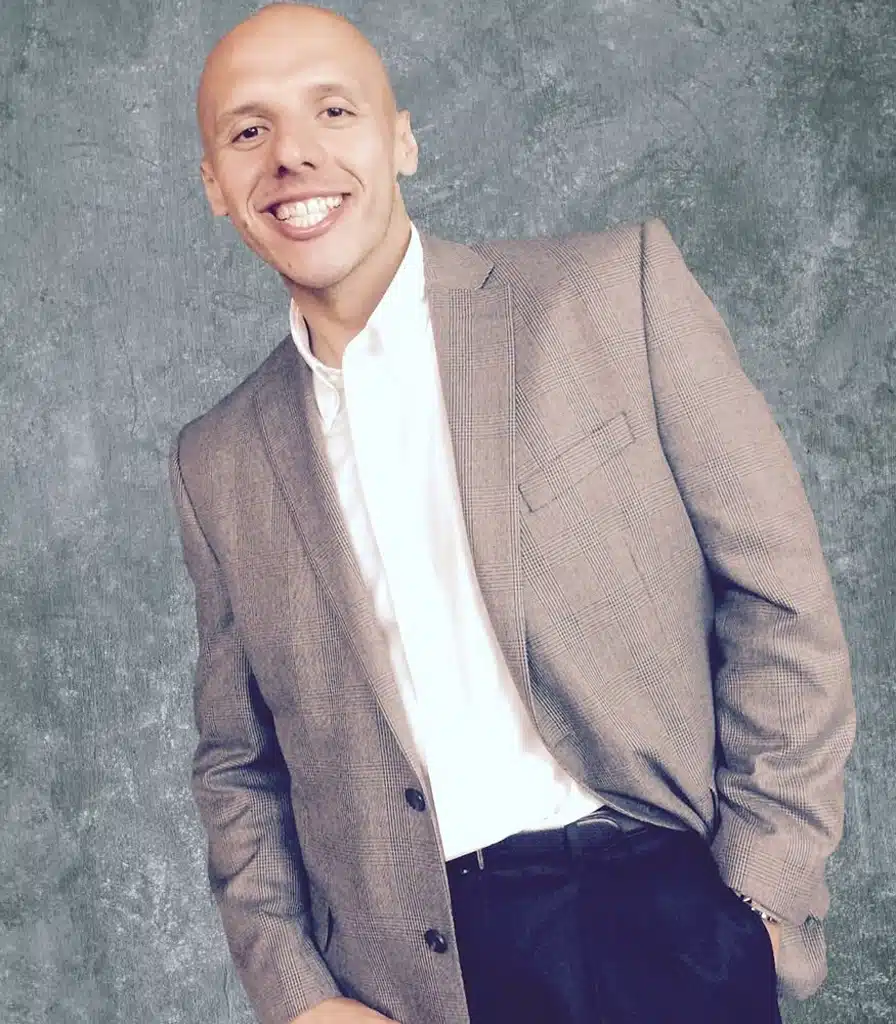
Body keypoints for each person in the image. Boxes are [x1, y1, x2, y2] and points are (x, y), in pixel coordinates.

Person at [169, 4, 856, 1023]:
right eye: (249, 130)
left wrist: (759, 898)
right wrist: (300, 997)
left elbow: (780, 599)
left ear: (401, 138)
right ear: (215, 186)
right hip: (418, 982)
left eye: (333, 110)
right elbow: (239, 765)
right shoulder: (218, 459)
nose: (292, 155)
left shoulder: (611, 295)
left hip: (666, 924)